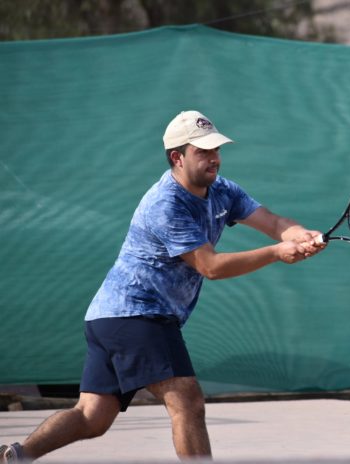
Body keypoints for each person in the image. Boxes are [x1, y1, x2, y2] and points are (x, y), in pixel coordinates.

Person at [0, 110, 326, 462]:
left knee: (92, 417)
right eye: (202, 151)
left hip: (107, 317)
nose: (213, 157)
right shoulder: (165, 204)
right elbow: (210, 267)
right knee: (187, 400)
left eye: (216, 148)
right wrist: (278, 252)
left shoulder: (223, 190)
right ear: (177, 157)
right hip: (137, 314)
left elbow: (274, 221)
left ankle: (16, 455)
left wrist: (299, 234)